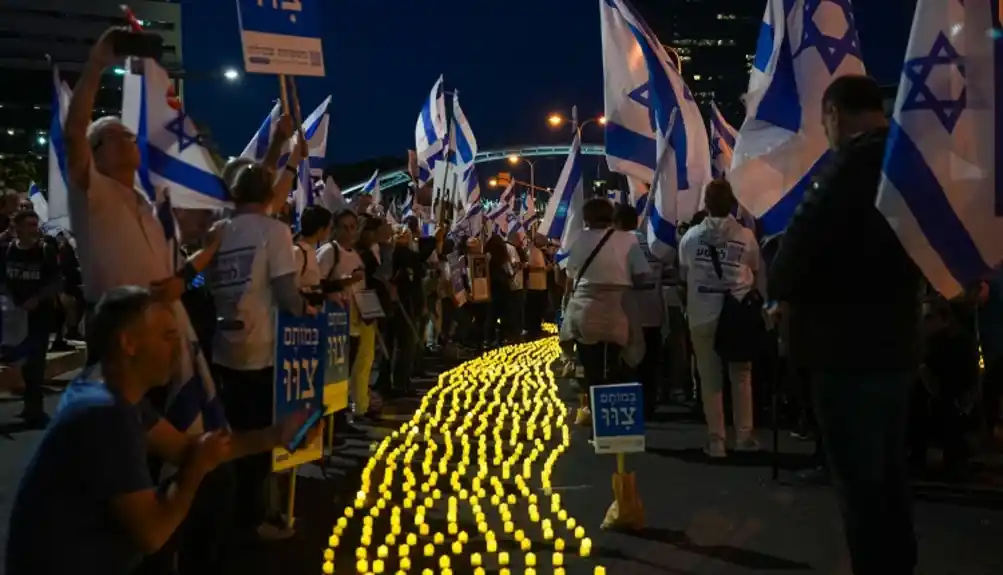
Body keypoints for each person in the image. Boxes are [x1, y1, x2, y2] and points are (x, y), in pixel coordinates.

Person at [769, 74, 923, 575]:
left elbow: (789, 261)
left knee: (861, 490)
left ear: (834, 114)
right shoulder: (910, 165)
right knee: (891, 482)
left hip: (844, 353)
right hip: (897, 345)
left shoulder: (847, 169)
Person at [678, 180, 764, 458]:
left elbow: (683, 273)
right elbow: (754, 268)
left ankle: (716, 441)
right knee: (741, 375)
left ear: (706, 203)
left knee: (709, 378)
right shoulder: (746, 236)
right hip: (737, 312)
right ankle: (744, 437)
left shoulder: (690, 238)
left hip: (702, 313)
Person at [561, 199, 651, 434]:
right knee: (617, 364)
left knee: (591, 368)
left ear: (587, 218)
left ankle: (595, 416)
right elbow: (643, 275)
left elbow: (570, 276)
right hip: (618, 309)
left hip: (585, 309)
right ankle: (617, 420)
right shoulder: (629, 239)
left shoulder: (580, 240)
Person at [0, 210, 62, 426]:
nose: (34, 229)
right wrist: (11, 299)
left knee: (35, 362)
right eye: (29, 225)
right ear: (17, 227)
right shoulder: (7, 252)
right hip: (14, 317)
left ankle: (35, 408)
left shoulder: (45, 251)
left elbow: (56, 282)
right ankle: (29, 404)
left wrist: (37, 298)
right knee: (18, 361)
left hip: (38, 317)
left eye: (36, 225)